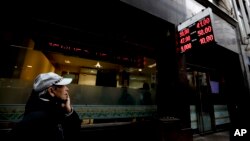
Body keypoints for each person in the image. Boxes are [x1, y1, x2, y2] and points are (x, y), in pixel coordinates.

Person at [9, 72, 81, 141]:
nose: (67, 89)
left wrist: (69, 111)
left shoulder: (54, 109)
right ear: (51, 91)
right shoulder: (37, 119)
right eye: (62, 86)